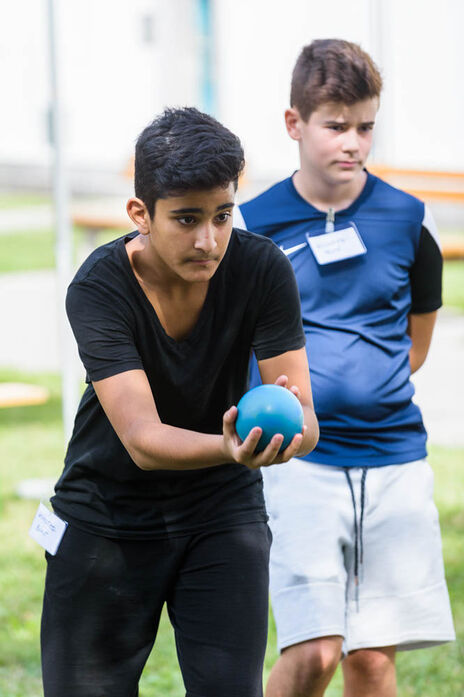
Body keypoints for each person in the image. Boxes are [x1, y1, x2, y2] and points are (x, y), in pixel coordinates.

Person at [40, 107, 319, 697]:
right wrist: (228, 445)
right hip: (105, 518)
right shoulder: (98, 288)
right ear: (140, 214)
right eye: (187, 219)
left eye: (223, 215)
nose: (208, 239)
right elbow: (142, 439)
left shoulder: (262, 269)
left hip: (222, 511)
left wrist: (289, 436)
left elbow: (306, 419)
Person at [235, 39, 455, 697]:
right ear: (294, 124)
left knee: (371, 660)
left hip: (395, 461)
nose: (353, 141)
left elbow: (417, 341)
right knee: (314, 651)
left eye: (365, 125)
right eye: (336, 125)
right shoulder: (252, 226)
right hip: (298, 462)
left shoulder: (409, 219)